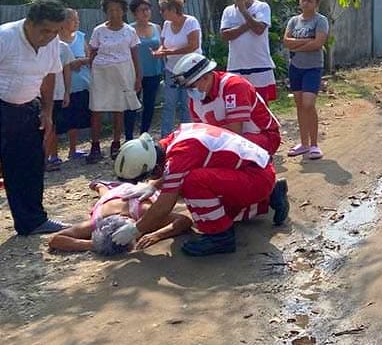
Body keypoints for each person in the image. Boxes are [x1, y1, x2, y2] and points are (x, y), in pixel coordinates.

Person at [109, 124, 289, 256]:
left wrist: (135, 229)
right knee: (220, 212)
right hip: (256, 171)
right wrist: (153, 185)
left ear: (154, 167)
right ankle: (270, 196)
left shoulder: (179, 156)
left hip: (256, 178)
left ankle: (220, 237)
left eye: (149, 176)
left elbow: (164, 206)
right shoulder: (174, 139)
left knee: (191, 184)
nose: (150, 179)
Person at [0, 0, 70, 235]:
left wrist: (47, 111)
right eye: (45, 30)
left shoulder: (52, 42)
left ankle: (32, 221)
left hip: (28, 108)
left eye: (55, 31)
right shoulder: (5, 37)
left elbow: (49, 76)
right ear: (29, 23)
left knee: (29, 166)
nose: (49, 36)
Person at [171, 52, 282, 155]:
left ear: (205, 77)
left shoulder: (234, 86)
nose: (190, 92)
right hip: (232, 139)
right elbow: (202, 134)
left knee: (223, 154)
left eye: (191, 87)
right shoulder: (194, 101)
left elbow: (235, 133)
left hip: (264, 137)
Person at [48, 179, 192, 254]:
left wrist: (157, 235)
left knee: (106, 193)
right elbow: (55, 240)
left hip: (134, 192)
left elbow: (184, 221)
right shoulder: (98, 224)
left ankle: (100, 185)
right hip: (109, 199)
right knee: (104, 195)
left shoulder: (142, 211)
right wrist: (95, 245)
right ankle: (100, 185)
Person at [86, 0, 142, 163]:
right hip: (101, 72)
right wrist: (93, 69)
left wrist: (138, 76)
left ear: (123, 11)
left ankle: (116, 144)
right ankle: (95, 146)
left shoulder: (130, 31)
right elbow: (92, 52)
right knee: (97, 109)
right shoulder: (99, 30)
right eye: (110, 10)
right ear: (105, 11)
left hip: (123, 72)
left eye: (117, 9)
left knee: (119, 109)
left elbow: (134, 55)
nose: (114, 13)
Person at [282, 0, 329, 160]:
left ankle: (315, 144)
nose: (305, 3)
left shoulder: (320, 20)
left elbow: (318, 43)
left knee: (309, 104)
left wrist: (297, 46)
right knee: (300, 104)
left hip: (313, 67)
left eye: (309, 0)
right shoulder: (294, 21)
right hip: (296, 67)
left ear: (316, 3)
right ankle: (304, 143)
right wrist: (305, 42)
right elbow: (286, 41)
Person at [219, 0, 277, 104]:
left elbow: (259, 30)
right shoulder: (228, 11)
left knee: (260, 105)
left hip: (259, 64)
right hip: (236, 65)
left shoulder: (261, 7)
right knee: (238, 105)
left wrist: (244, 11)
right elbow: (225, 35)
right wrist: (248, 25)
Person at [153, 0, 201, 137]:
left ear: (173, 9)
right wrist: (159, 52)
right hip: (172, 70)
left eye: (163, 9)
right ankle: (165, 137)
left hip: (189, 69)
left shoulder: (191, 22)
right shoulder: (167, 25)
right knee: (169, 104)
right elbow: (163, 44)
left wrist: (171, 51)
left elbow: (194, 45)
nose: (161, 13)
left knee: (187, 104)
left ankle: (188, 135)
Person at [124, 0, 164, 139]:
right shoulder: (129, 29)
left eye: (147, 9)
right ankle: (128, 137)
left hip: (154, 71)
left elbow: (162, 45)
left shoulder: (156, 27)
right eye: (141, 10)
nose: (145, 12)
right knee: (131, 105)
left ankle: (144, 135)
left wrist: (159, 50)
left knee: (149, 104)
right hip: (134, 73)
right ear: (134, 13)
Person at [60, 8, 92, 159]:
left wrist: (80, 61)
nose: (77, 22)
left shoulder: (80, 37)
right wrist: (67, 65)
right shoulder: (55, 40)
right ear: (64, 21)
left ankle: (73, 149)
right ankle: (52, 154)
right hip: (62, 87)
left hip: (82, 84)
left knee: (76, 118)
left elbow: (90, 57)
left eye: (77, 19)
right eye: (74, 19)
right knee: (60, 120)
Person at [44, 37, 75, 171]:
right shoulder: (38, 44)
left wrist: (67, 92)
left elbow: (67, 71)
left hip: (58, 92)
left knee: (54, 126)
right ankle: (44, 159)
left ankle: (53, 156)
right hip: (39, 93)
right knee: (45, 127)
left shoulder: (63, 47)